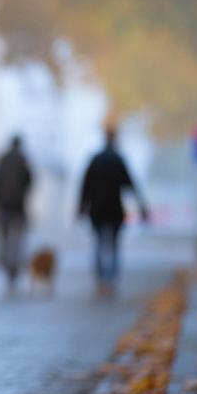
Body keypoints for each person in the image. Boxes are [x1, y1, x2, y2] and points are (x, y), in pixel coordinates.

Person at [77, 125, 148, 294]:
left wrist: (81, 208)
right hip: (114, 209)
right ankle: (112, 278)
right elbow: (131, 185)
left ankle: (101, 279)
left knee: (99, 243)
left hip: (97, 210)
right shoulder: (119, 160)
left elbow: (85, 186)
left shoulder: (95, 160)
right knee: (115, 244)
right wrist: (142, 207)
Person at [0, 135, 33, 293]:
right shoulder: (23, 160)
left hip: (3, 208)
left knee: (5, 239)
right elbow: (30, 182)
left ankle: (7, 266)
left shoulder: (2, 159)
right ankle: (14, 268)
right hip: (18, 208)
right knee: (17, 240)